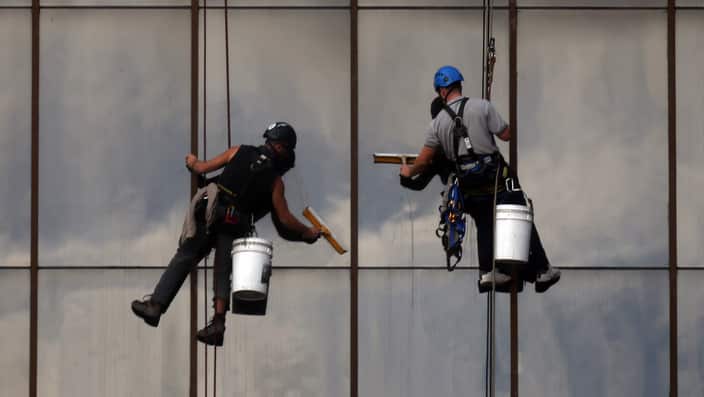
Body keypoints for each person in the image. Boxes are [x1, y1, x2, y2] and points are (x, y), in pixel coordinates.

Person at [131, 122, 321, 346]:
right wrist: (308, 232)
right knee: (222, 269)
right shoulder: (275, 182)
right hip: (236, 222)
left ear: (273, 143)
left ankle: (155, 306)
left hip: (213, 211)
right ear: (283, 149)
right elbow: (284, 219)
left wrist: (192, 162)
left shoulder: (239, 151)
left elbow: (202, 168)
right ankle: (218, 325)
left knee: (185, 256)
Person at [400, 65, 560, 293]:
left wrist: (408, 171)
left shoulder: (436, 125)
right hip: (496, 178)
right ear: (458, 85)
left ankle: (489, 272)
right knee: (518, 212)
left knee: (484, 221)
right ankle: (542, 269)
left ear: (441, 91)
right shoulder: (482, 107)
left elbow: (424, 161)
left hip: (470, 187)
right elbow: (506, 135)